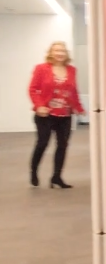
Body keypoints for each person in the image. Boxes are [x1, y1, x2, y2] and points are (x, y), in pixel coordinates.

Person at [29, 41, 84, 189]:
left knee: (62, 145)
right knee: (43, 143)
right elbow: (33, 89)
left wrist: (79, 107)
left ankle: (56, 177)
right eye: (56, 50)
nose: (60, 53)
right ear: (51, 53)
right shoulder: (41, 68)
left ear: (66, 53)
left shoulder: (72, 70)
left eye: (62, 51)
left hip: (65, 114)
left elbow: (73, 91)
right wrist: (39, 105)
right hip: (45, 114)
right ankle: (34, 171)